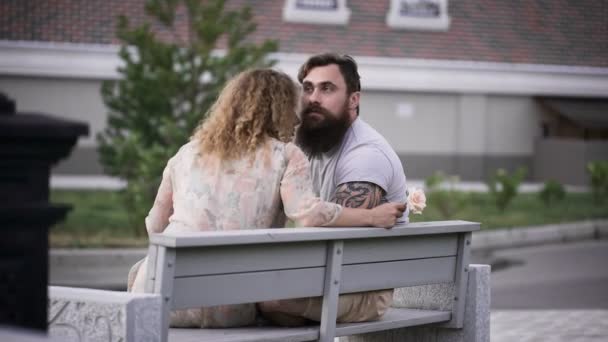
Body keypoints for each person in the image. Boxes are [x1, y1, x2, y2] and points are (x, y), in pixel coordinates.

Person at [126, 68, 406, 328]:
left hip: (157, 297)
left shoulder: (186, 153)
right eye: (293, 109)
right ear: (279, 111)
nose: (298, 118)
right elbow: (307, 214)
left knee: (139, 271)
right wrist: (371, 215)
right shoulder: (285, 155)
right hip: (228, 308)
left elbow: (155, 227)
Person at [258, 53, 408, 326]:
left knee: (266, 297)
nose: (313, 98)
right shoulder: (307, 146)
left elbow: (333, 237)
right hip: (324, 275)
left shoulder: (366, 156)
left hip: (363, 290)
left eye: (327, 88)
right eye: (307, 88)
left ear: (354, 100)